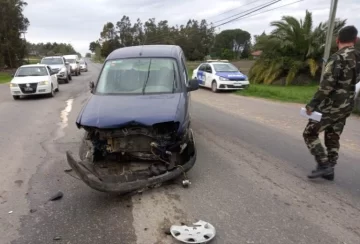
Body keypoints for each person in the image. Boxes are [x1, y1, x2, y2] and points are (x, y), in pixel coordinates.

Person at [303, 25, 360, 180]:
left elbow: (326, 86)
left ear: (337, 40)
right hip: (347, 105)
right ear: (355, 39)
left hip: (332, 106)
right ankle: (330, 169)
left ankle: (324, 164)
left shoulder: (337, 58)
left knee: (309, 133)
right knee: (333, 135)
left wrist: (312, 104)